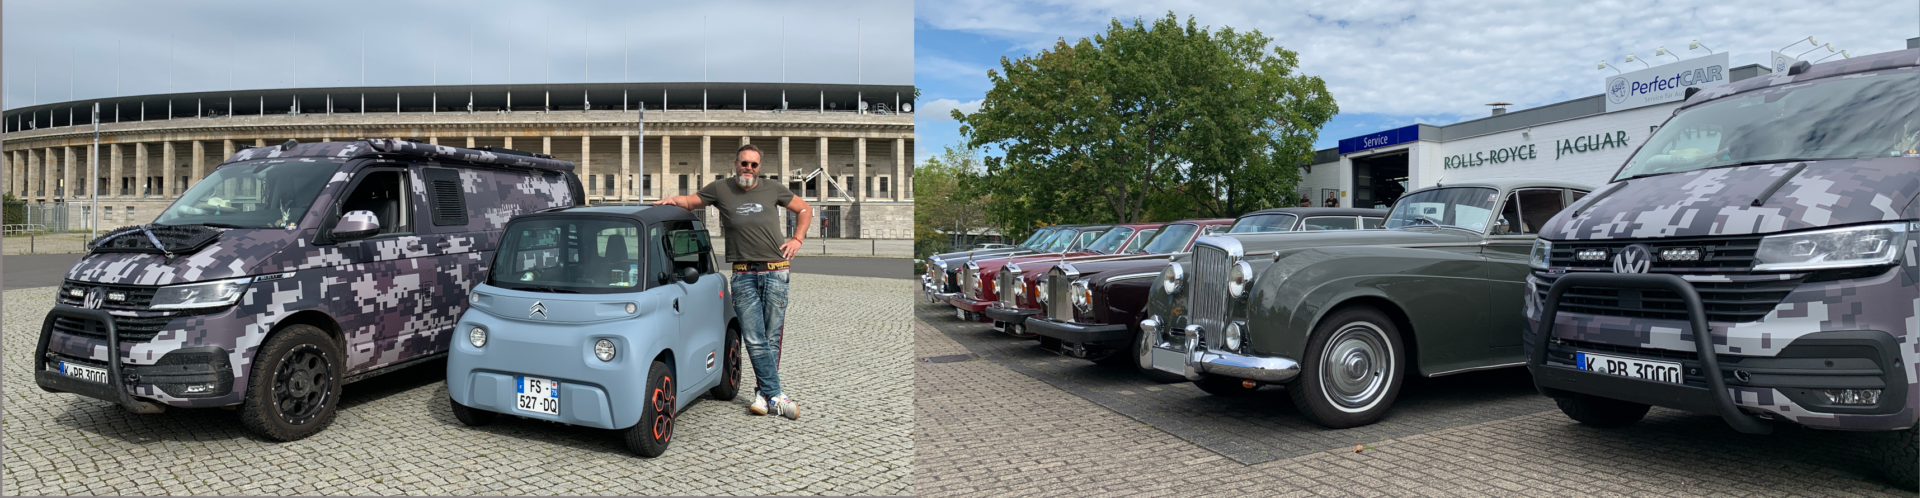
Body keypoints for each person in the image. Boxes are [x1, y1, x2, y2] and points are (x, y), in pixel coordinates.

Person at [652, 143, 811, 420]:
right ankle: (776, 395)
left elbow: (805, 209)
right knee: (753, 337)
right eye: (744, 163)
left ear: (759, 168)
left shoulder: (773, 188)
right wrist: (670, 200)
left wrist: (797, 239)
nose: (748, 168)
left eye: (753, 164)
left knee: (771, 337)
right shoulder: (720, 189)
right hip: (743, 273)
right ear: (735, 164)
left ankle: (763, 394)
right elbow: (691, 202)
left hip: (776, 270)